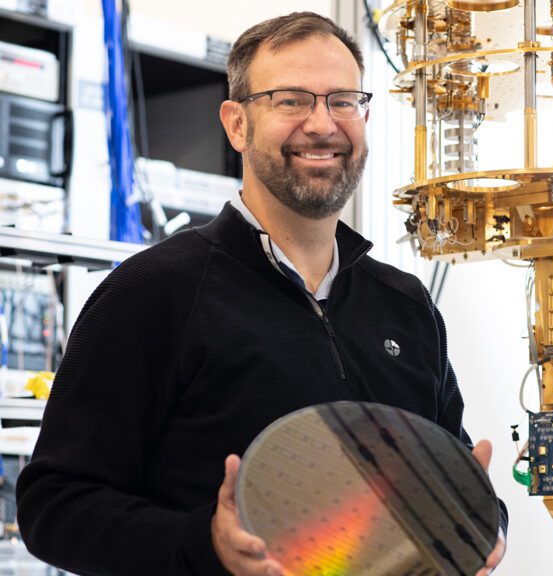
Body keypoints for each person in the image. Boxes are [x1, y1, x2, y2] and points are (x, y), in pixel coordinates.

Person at [15, 12, 506, 576]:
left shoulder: (407, 305)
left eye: (343, 100)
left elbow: (451, 470)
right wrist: (207, 544)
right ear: (236, 124)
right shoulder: (151, 292)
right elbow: (53, 506)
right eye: (292, 100)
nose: (323, 124)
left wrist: (482, 520)